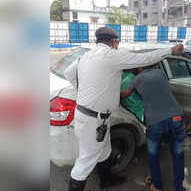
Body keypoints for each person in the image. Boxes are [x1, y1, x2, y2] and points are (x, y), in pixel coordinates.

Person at [64, 27, 184, 191]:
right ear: (113, 42)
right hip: (93, 119)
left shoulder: (85, 56)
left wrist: (83, 89)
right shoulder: (111, 55)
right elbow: (144, 58)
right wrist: (171, 49)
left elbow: (68, 72)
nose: (117, 45)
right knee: (85, 162)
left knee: (105, 151)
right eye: (117, 42)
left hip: (96, 118)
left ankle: (106, 180)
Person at [121, 64, 186, 191]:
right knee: (178, 154)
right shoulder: (161, 73)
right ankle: (178, 187)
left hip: (156, 122)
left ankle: (157, 185)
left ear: (139, 67)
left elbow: (125, 94)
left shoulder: (137, 79)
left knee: (152, 154)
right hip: (177, 118)